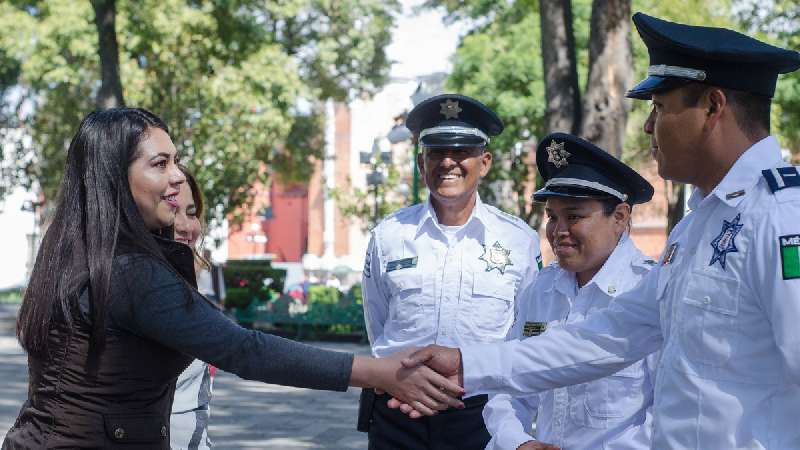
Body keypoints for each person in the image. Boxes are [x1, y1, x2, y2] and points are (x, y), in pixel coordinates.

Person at [399, 13, 800, 449]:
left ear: (713, 107)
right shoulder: (696, 227)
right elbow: (607, 337)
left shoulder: (782, 218)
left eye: (660, 108)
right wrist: (467, 364)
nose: (649, 126)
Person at [2, 107, 464, 449]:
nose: (179, 177)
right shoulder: (129, 272)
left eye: (175, 160)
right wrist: (381, 374)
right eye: (159, 165)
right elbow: (245, 349)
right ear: (114, 178)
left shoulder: (76, 252)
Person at [361, 94, 542, 450]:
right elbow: (377, 322)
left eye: (461, 152)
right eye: (436, 152)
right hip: (399, 413)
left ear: (485, 162)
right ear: (420, 162)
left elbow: (526, 328)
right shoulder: (388, 236)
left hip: (482, 415)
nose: (448, 162)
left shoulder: (519, 239)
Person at [482, 133, 658, 450]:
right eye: (552, 217)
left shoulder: (649, 290)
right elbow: (507, 385)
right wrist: (518, 441)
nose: (559, 231)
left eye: (574, 217)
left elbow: (668, 409)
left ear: (619, 217)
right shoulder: (542, 289)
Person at [171, 165, 215, 449]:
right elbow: (250, 351)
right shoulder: (135, 294)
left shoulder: (186, 290)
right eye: (173, 212)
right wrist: (365, 371)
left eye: (191, 212)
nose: (188, 227)